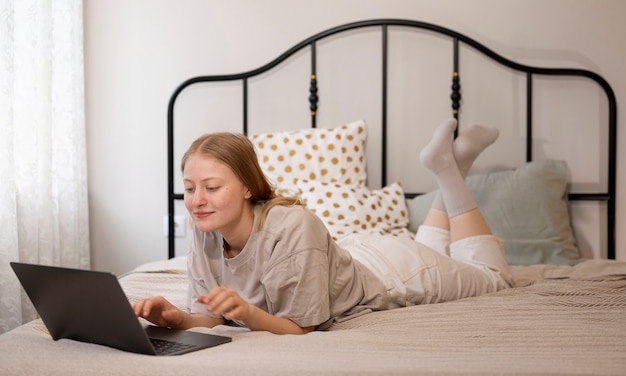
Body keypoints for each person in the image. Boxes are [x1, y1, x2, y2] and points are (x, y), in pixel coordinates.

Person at [133, 118, 513, 335]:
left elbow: (301, 330)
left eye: (211, 187)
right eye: (188, 188)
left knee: (494, 277)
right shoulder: (206, 232)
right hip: (339, 256)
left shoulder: (291, 228)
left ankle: (447, 170)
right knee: (438, 253)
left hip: (394, 272)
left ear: (248, 186)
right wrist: (176, 318)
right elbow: (213, 317)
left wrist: (246, 313)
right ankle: (455, 166)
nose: (196, 200)